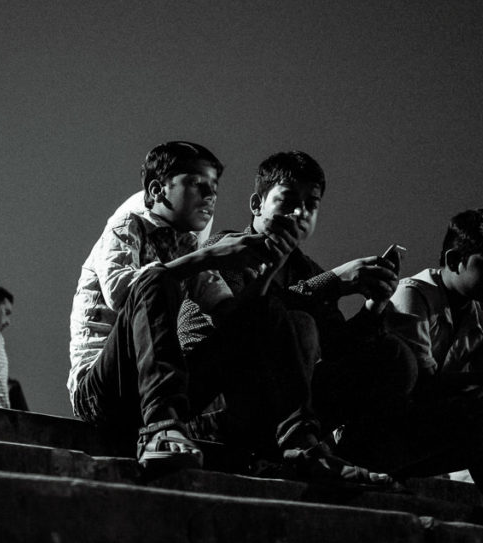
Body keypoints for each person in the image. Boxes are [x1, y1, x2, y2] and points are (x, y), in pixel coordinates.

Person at [68, 140, 324, 474]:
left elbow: (233, 317)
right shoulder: (125, 227)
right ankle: (161, 431)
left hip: (161, 392)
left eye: (214, 189)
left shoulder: (186, 243)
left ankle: (300, 445)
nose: (209, 197)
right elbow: (124, 293)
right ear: (158, 190)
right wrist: (207, 257)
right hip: (101, 393)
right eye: (197, 185)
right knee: (156, 281)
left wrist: (270, 267)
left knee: (269, 312)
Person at [177, 151, 411, 481]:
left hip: (273, 409)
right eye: (288, 201)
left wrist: (374, 305)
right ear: (257, 204)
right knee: (296, 322)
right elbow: (246, 321)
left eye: (311, 204)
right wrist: (332, 282)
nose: (300, 212)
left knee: (393, 356)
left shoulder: (306, 270)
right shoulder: (228, 247)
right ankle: (301, 446)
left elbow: (337, 349)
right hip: (214, 405)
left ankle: (350, 459)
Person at [345, 209, 483, 516]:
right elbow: (421, 387)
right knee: (479, 409)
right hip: (381, 436)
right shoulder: (412, 295)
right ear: (455, 260)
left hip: (434, 430)